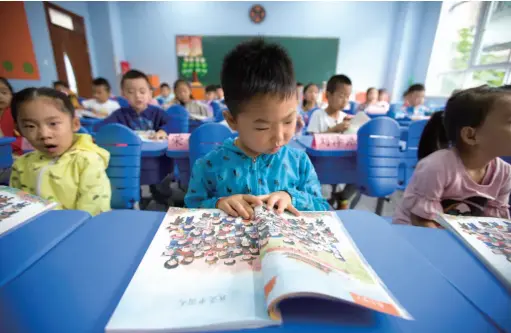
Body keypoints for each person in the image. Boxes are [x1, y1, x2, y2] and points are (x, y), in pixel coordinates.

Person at [184, 38, 329, 218]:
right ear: (232, 120)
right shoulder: (209, 166)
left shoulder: (299, 163)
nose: (279, 138)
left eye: (288, 121)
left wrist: (292, 197)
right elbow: (190, 208)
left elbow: (323, 208)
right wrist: (218, 203)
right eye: (262, 127)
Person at [393, 85, 511, 227]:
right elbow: (422, 222)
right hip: (414, 236)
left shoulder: (505, 173)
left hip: (460, 236)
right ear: (470, 135)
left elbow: (493, 223)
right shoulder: (436, 167)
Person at [9, 87, 111, 215]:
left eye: (53, 123)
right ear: (19, 129)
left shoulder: (87, 161)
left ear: (74, 124)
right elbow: (15, 207)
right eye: (30, 126)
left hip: (75, 230)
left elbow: (93, 212)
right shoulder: (21, 164)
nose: (44, 134)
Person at [95, 70, 172, 139]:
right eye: (131, 92)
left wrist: (163, 131)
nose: (137, 96)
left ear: (150, 93)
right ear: (123, 94)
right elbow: (100, 127)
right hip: (129, 152)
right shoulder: (119, 115)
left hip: (155, 153)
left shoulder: (157, 113)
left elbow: (172, 123)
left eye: (142, 92)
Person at [0, 77, 22, 156]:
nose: (0, 96)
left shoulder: (18, 113)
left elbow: (30, 138)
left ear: (11, 95)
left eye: (4, 92)